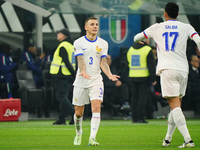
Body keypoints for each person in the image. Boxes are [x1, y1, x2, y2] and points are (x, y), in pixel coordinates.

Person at [134, 2, 200, 148]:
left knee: (174, 105)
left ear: (165, 13)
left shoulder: (157, 27)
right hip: (183, 70)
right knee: (176, 106)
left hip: (168, 69)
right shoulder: (186, 27)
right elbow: (198, 39)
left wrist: (142, 39)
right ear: (178, 14)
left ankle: (188, 140)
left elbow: (136, 37)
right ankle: (167, 139)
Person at [72, 17, 120, 146]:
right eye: (92, 24)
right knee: (78, 113)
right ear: (86, 27)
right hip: (81, 80)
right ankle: (78, 133)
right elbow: (80, 59)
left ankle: (92, 138)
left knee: (96, 107)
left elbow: (103, 62)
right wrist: (83, 71)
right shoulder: (78, 42)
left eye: (97, 24)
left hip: (96, 80)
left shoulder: (103, 43)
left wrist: (109, 75)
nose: (95, 26)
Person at [50, 28, 76, 125]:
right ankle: (62, 118)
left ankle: (75, 115)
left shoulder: (63, 46)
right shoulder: (71, 46)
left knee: (60, 96)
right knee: (64, 96)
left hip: (60, 74)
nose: (57, 35)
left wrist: (74, 74)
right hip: (67, 75)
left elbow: (66, 61)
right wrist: (74, 74)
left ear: (64, 36)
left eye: (59, 33)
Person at [127, 42, 156, 123]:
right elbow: (151, 65)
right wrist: (153, 78)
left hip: (132, 76)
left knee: (134, 98)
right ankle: (141, 117)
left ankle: (134, 118)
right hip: (144, 77)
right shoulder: (147, 49)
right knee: (142, 98)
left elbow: (128, 62)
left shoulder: (131, 49)